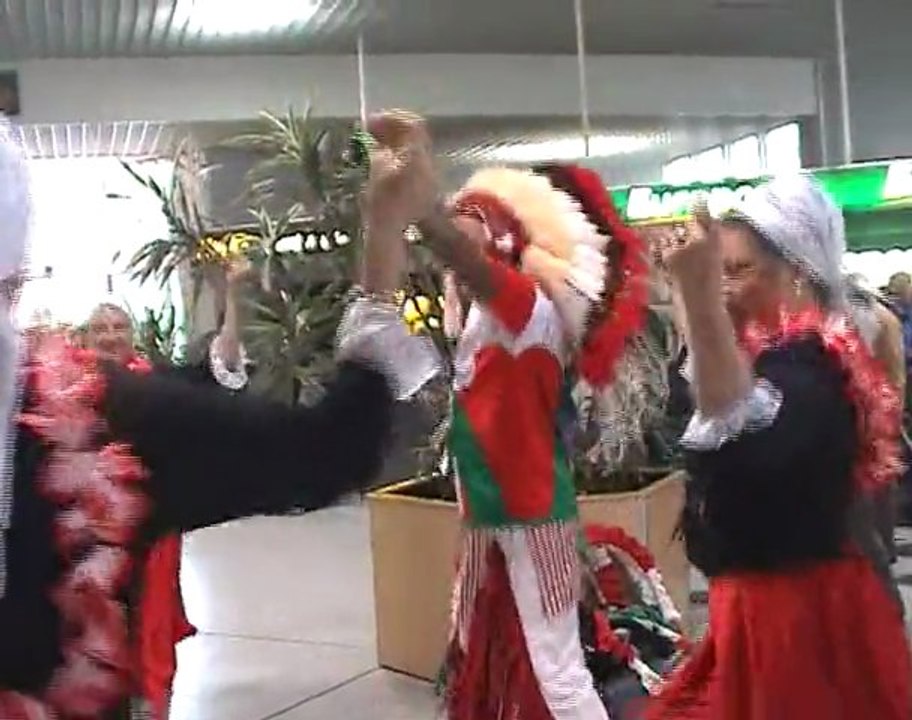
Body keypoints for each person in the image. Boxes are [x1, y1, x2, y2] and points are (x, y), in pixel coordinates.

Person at [0, 114, 439, 719]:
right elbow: (327, 450)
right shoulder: (109, 415)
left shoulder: (108, 416)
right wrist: (384, 240)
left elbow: (315, 445)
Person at [366, 111, 650, 720]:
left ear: (498, 247)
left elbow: (461, 259)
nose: (454, 255)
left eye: (470, 238)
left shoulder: (530, 308)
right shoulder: (476, 320)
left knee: (558, 669)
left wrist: (419, 193)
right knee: (477, 643)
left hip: (530, 514)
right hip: (488, 514)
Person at [646, 176, 912, 719]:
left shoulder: (815, 367)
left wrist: (699, 299)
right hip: (757, 610)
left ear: (795, 272)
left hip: (796, 623)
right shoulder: (773, 361)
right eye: (722, 272)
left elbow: (735, 429)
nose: (726, 287)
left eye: (740, 271)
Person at [83, 273, 249, 719]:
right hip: (91, 538)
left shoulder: (156, 385)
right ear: (86, 338)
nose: (110, 336)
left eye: (119, 327)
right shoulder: (69, 392)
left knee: (151, 629)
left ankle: (155, 707)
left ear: (132, 336)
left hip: (151, 530)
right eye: (100, 329)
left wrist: (230, 298)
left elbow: (221, 368)